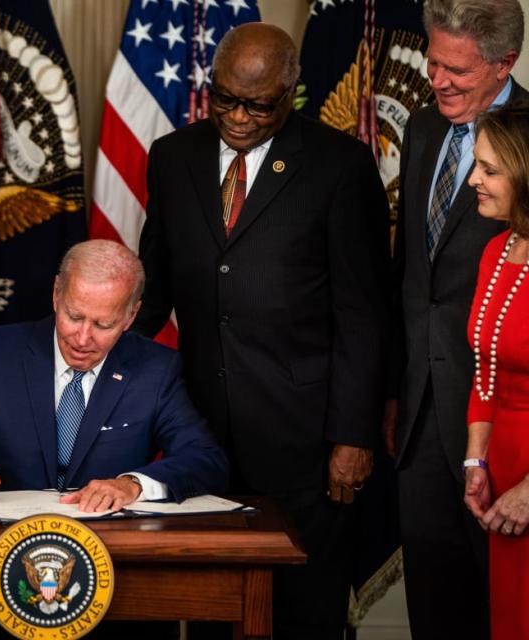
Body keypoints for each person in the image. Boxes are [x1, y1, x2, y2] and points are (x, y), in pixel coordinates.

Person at [134, 22, 391, 639]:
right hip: (199, 429)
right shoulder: (173, 157)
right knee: (214, 600)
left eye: (259, 104)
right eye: (225, 99)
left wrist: (354, 435)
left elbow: (364, 313)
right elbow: (154, 287)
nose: (239, 117)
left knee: (305, 609)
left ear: (291, 93)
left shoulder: (341, 166)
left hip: (304, 436)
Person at [0, 239, 228, 512]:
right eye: (74, 316)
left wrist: (133, 485)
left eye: (103, 325)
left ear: (131, 315)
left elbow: (206, 460)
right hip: (4, 545)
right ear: (56, 294)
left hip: (113, 550)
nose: (82, 338)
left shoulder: (155, 369)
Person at [388, 1, 526, 637]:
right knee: (436, 611)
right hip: (422, 416)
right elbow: (412, 280)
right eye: (433, 62)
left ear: (505, 63)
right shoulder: (420, 129)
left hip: (507, 422)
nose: (438, 80)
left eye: (458, 70)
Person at [462, 104, 529, 640]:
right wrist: (475, 460)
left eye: (488, 170)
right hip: (502, 471)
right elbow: (484, 374)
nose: (473, 181)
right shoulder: (495, 250)